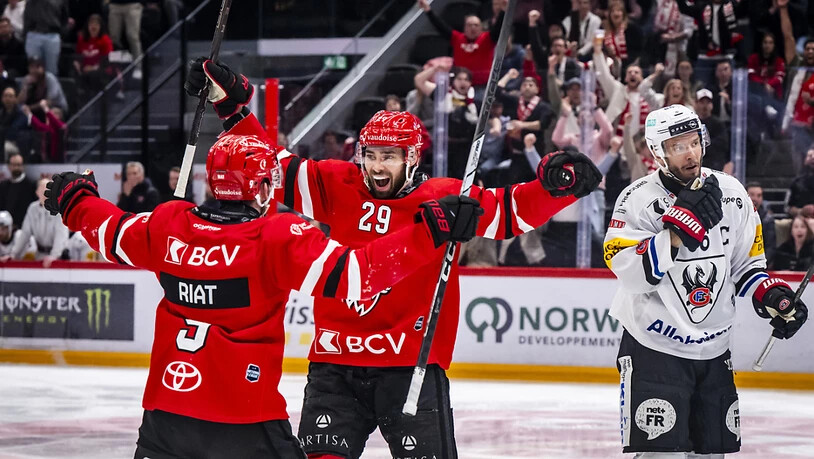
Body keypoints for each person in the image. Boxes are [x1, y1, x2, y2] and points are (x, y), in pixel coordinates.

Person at [186, 58, 603, 459]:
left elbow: (511, 212)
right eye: (370, 155)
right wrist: (229, 107)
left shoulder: (445, 201)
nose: (376, 166)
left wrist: (555, 186)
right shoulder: (339, 184)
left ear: (412, 158)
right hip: (335, 366)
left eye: (389, 156)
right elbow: (270, 167)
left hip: (410, 370)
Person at [42, 130, 484, 459]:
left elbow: (109, 229)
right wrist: (429, 232)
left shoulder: (167, 223)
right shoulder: (276, 236)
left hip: (164, 419)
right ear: (262, 187)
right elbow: (357, 277)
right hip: (246, 422)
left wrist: (74, 199)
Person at [604, 104, 808, 458]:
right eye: (678, 146)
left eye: (694, 142)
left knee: (713, 454)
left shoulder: (732, 192)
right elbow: (626, 270)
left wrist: (773, 295)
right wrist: (675, 235)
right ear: (657, 152)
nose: (691, 153)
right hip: (655, 348)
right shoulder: (635, 199)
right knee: (659, 454)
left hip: (714, 351)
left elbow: (747, 264)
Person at [12, 177, 68, 266]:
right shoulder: (32, 209)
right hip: (40, 254)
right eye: (42, 190)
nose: (45, 193)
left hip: (59, 257)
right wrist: (14, 255)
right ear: (37, 192)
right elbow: (25, 233)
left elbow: (61, 235)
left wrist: (54, 256)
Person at [0, 151, 37, 228]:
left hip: (24, 229)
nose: (16, 168)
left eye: (18, 165)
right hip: (5, 231)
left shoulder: (31, 186)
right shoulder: (3, 186)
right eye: (13, 165)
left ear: (23, 166)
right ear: (9, 166)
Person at [746, 181, 777, 267]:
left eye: (759, 195)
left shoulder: (768, 219)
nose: (755, 198)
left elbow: (770, 247)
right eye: (752, 195)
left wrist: (759, 265)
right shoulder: (736, 216)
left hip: (760, 264)